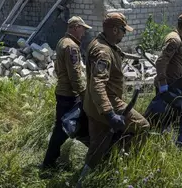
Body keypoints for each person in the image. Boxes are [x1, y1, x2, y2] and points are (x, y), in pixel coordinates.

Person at [78, 13, 150, 181]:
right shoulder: (103, 52)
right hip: (108, 102)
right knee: (143, 127)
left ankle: (83, 180)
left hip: (92, 103)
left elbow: (113, 53)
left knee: (98, 146)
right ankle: (125, 163)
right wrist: (109, 113)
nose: (124, 35)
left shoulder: (99, 42)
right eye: (123, 31)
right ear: (115, 29)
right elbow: (98, 84)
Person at [41, 16, 92, 172]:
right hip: (70, 95)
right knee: (63, 129)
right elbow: (75, 75)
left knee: (77, 126)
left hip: (64, 92)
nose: (83, 33)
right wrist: (84, 96)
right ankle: (48, 163)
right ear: (76, 27)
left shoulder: (62, 42)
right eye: (83, 29)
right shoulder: (71, 47)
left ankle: (95, 155)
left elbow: (58, 69)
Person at [152, 13, 182, 130]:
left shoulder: (177, 38)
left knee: (169, 117)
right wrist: (163, 84)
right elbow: (161, 62)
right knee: (165, 118)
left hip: (174, 85)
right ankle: (159, 139)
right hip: (169, 86)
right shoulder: (174, 40)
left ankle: (163, 137)